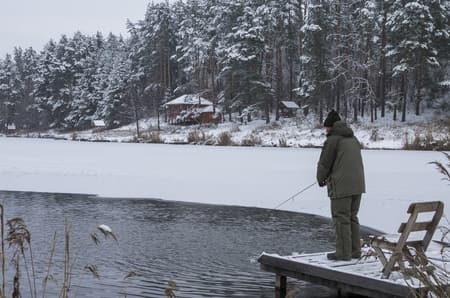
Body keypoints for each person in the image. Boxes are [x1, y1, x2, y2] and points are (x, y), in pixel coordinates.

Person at [316, 110, 365, 261]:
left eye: (326, 127)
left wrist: (321, 179)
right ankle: (355, 251)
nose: (325, 130)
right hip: (358, 185)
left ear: (331, 126)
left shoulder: (333, 140)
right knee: (352, 217)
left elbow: (324, 163)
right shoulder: (353, 138)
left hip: (341, 186)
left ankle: (343, 254)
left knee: (340, 218)